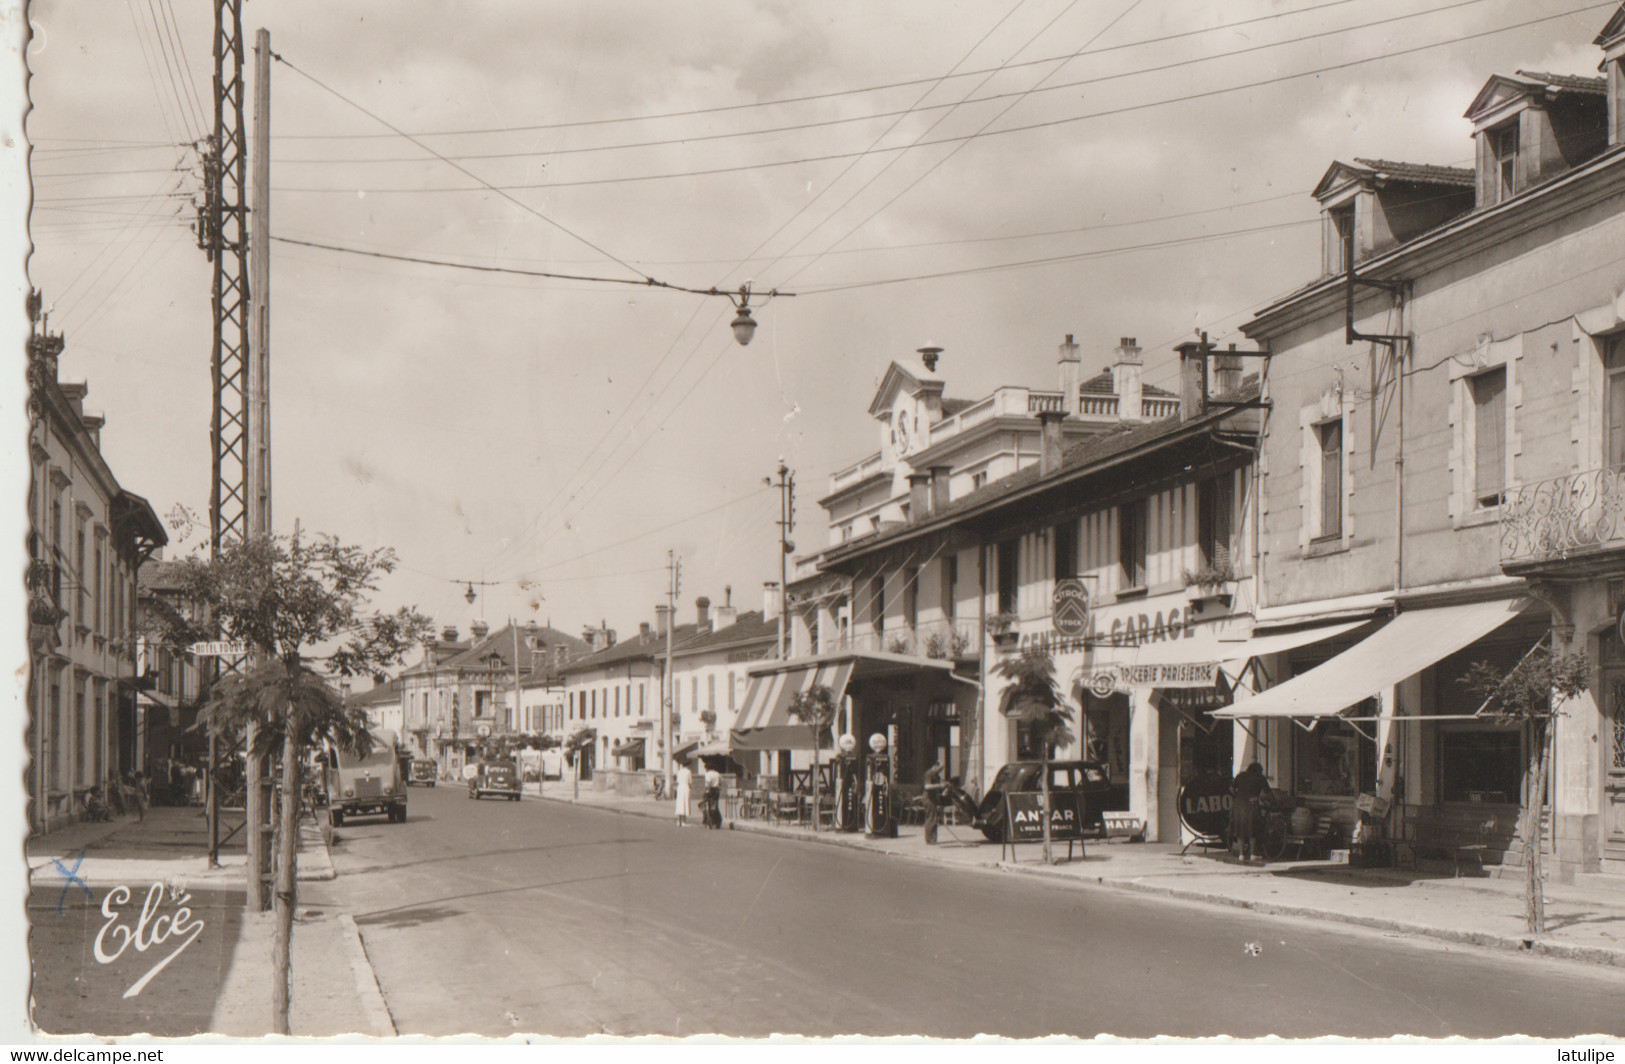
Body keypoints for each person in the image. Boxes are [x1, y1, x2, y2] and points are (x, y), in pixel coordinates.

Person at [1230, 761, 1271, 861]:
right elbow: (1267, 793)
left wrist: (1236, 796)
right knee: (1252, 829)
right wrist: (1258, 798)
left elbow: (1231, 788)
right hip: (1252, 805)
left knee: (1240, 830)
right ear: (1259, 770)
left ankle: (1241, 854)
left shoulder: (1240, 776)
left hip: (1238, 805)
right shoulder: (1260, 778)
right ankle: (1253, 854)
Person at [921, 757, 947, 845]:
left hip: (933, 798)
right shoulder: (929, 773)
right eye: (940, 768)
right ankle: (930, 839)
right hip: (928, 799)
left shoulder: (935, 775)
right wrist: (939, 786)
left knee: (934, 818)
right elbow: (927, 786)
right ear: (935, 766)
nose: (940, 771)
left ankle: (933, 839)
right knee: (931, 818)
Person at [673, 760, 693, 827]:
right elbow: (690, 782)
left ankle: (679, 821)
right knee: (685, 803)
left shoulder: (679, 771)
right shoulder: (688, 772)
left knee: (679, 803)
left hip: (680, 788)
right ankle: (684, 821)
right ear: (688, 765)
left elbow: (677, 780)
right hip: (685, 787)